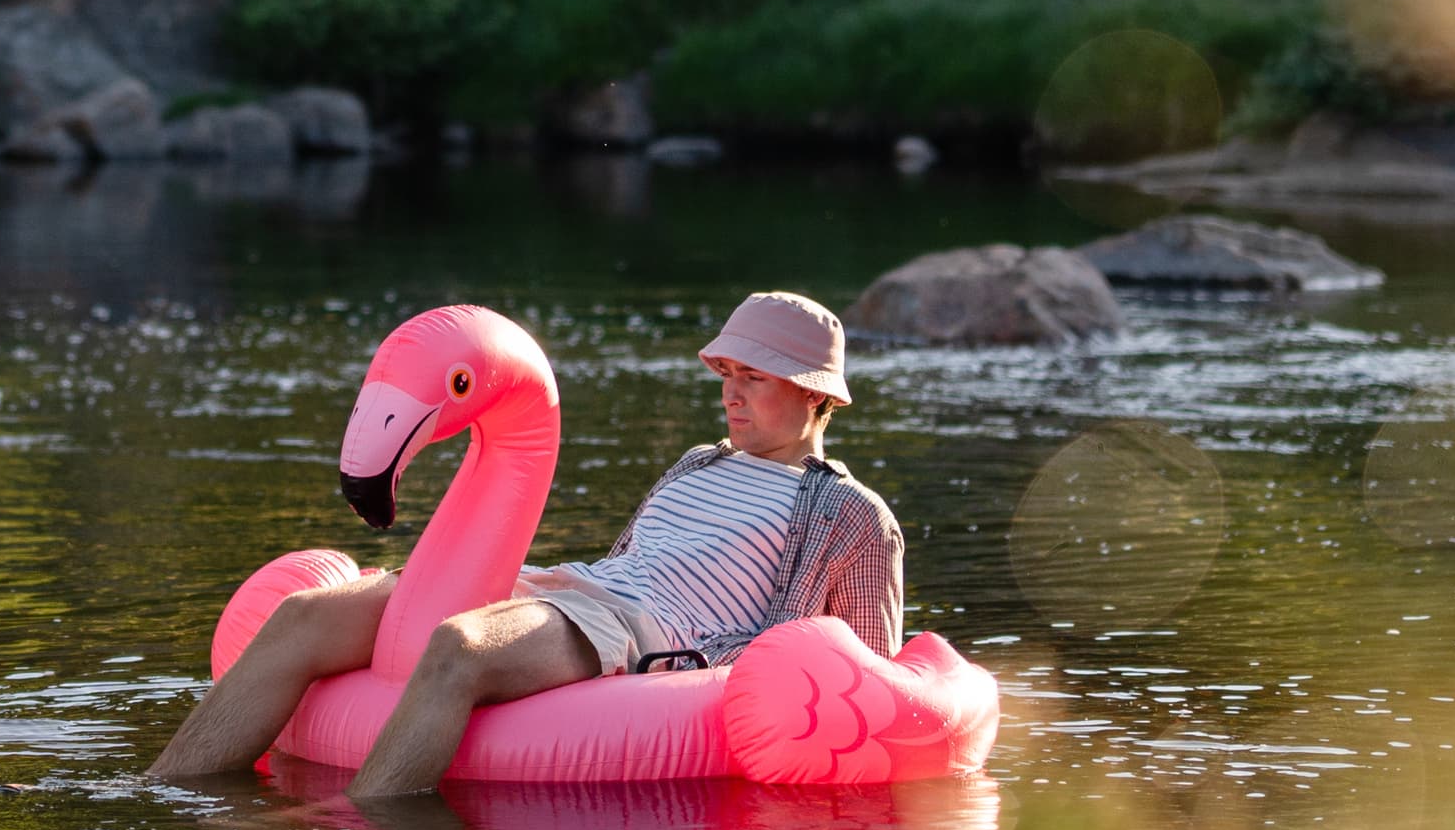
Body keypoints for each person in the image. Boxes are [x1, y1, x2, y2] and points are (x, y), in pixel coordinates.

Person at [149, 290, 903, 797]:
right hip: (576, 589)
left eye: (756, 378)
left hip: (644, 630)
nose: (731, 393)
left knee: (459, 646)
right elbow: (628, 554)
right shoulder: (698, 462)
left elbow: (873, 676)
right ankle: (152, 793)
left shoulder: (849, 511)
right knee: (306, 613)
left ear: (815, 394)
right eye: (727, 374)